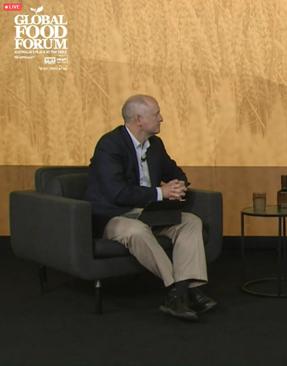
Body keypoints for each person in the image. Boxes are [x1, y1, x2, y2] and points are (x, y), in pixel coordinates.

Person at [85, 94, 217, 321]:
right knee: (136, 231)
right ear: (139, 120)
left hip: (149, 212)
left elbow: (177, 174)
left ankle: (185, 292)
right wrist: (160, 192)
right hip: (114, 215)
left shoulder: (155, 145)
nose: (162, 119)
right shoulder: (109, 145)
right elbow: (117, 193)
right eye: (156, 114)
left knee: (191, 222)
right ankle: (179, 289)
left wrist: (178, 186)